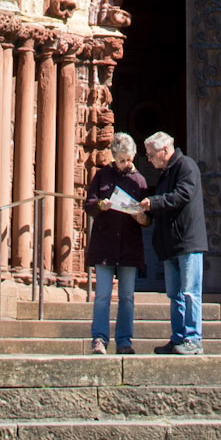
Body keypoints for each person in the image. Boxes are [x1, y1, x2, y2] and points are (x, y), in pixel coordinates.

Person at [141, 130, 207, 355]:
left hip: (187, 241)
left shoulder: (186, 166)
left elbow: (183, 195)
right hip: (170, 243)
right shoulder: (165, 173)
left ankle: (193, 339)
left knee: (190, 292)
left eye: (151, 154)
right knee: (175, 294)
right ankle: (178, 337)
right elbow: (163, 204)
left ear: (165, 150)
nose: (148, 159)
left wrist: (154, 202)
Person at [83, 132, 147, 355]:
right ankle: (99, 339)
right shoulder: (102, 176)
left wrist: (141, 217)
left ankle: (124, 341)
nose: (127, 164)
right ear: (113, 157)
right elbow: (89, 205)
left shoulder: (138, 180)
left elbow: (148, 218)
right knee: (102, 295)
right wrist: (102, 205)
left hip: (129, 246)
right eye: (122, 160)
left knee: (127, 297)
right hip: (105, 244)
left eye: (130, 159)